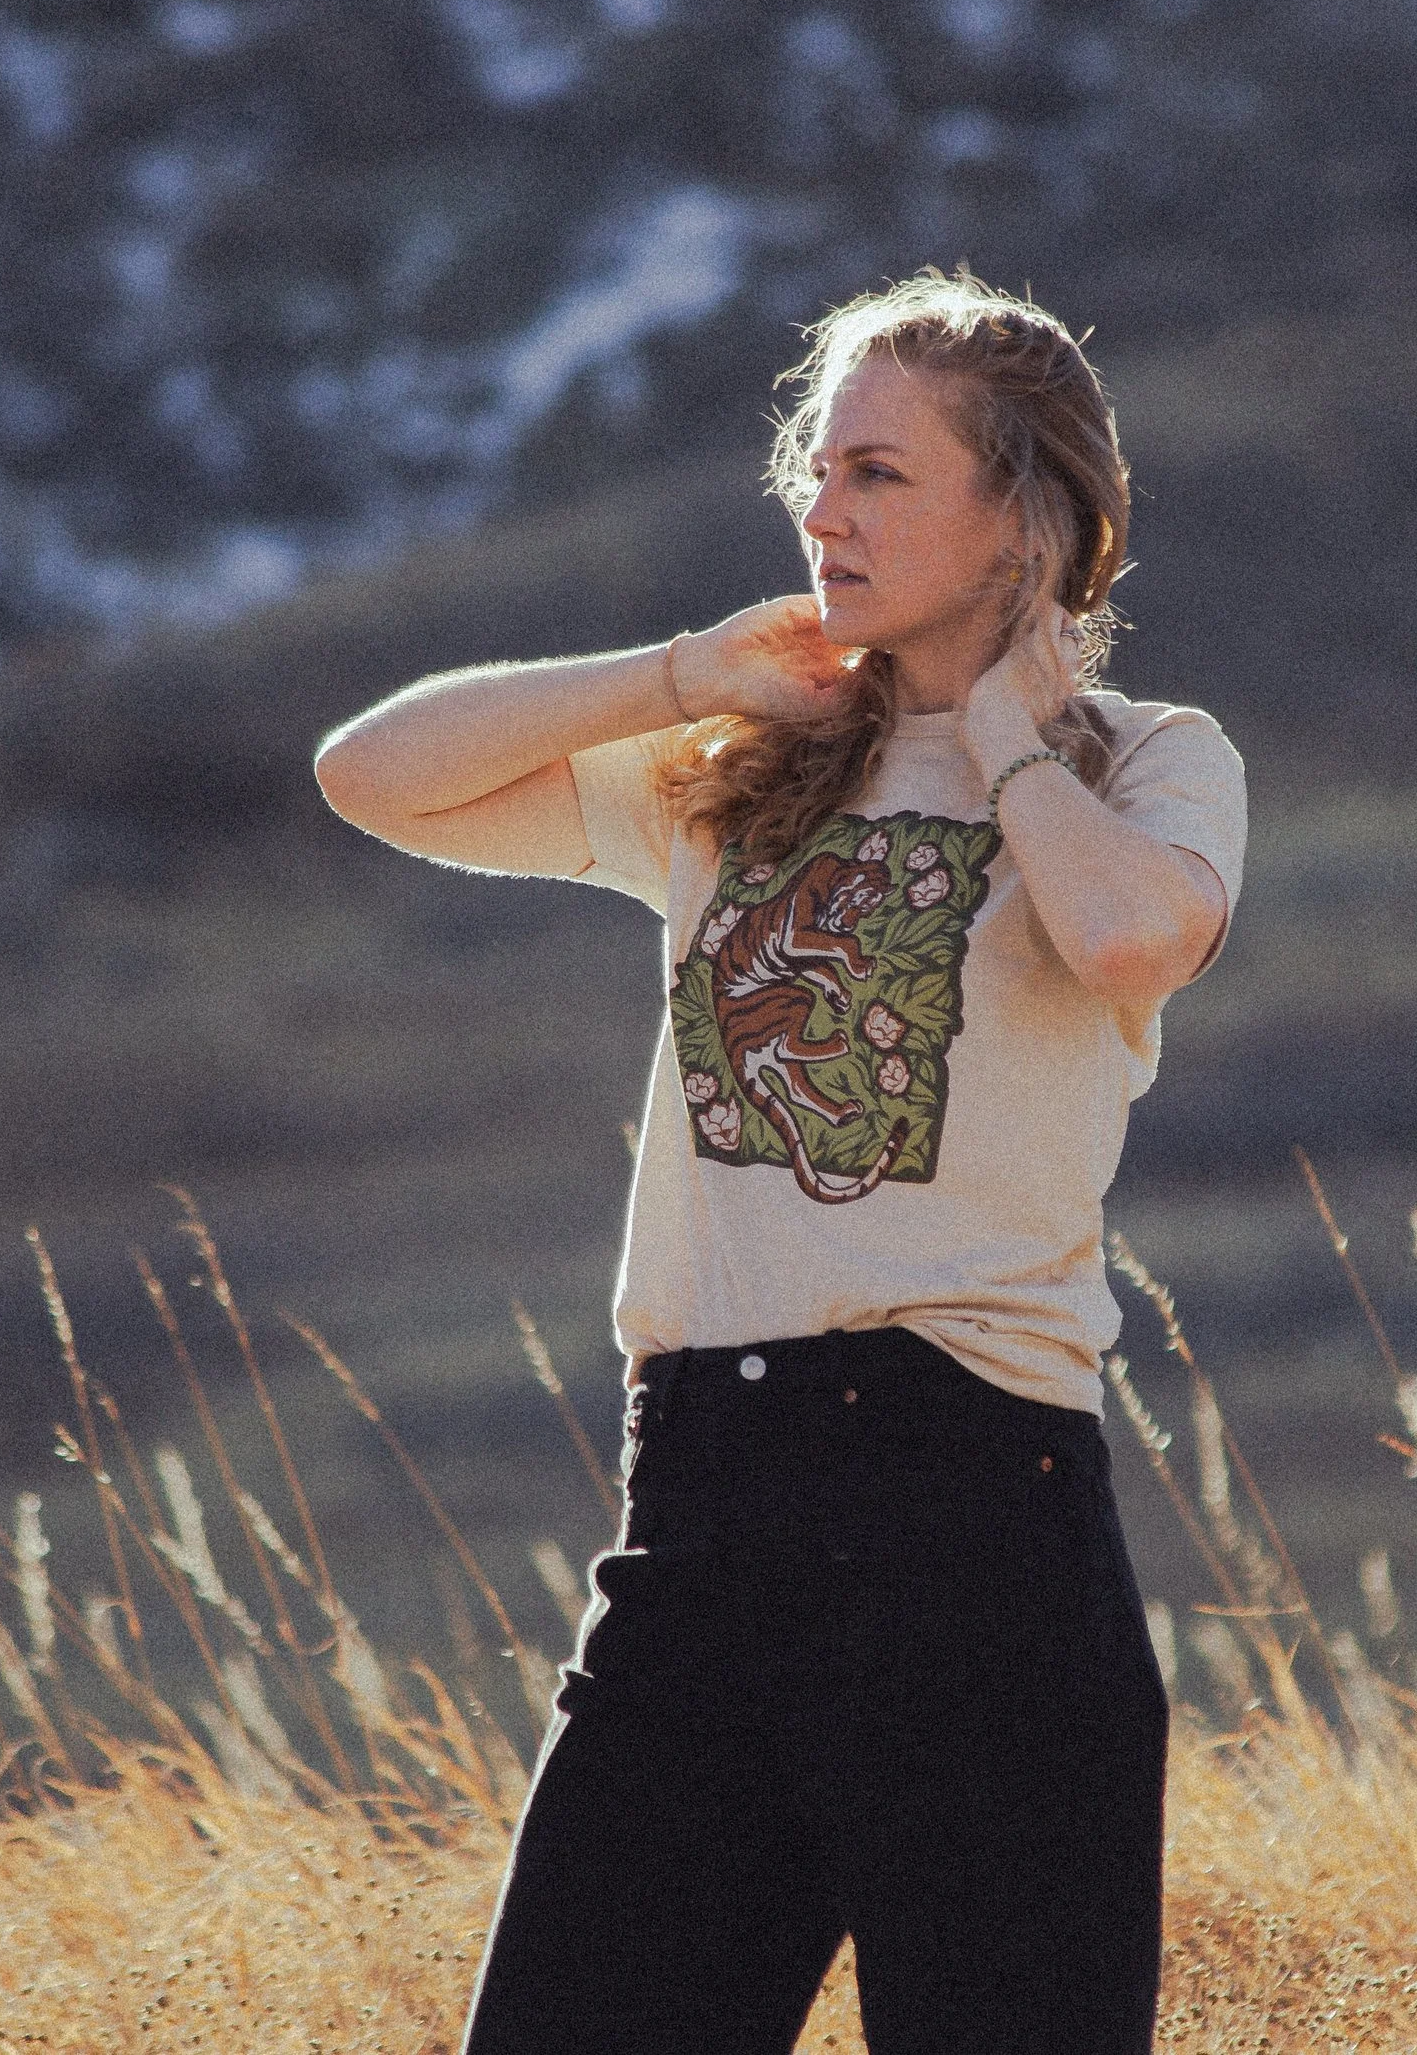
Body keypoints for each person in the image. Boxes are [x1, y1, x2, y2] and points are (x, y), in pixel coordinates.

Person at [312, 269, 1246, 2055]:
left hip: (975, 1530)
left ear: (1022, 517)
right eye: (817, 468)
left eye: (882, 473)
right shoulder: (735, 766)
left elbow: (1133, 942)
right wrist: (677, 674)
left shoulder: (1148, 763)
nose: (824, 508)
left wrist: (1000, 739)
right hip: (704, 1515)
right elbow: (374, 775)